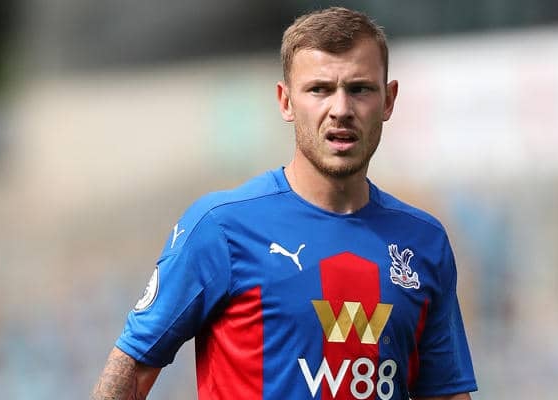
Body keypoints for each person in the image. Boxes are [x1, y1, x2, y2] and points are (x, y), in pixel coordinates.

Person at [91, 6, 477, 400]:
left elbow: (446, 393)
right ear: (286, 101)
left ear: (389, 99)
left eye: (359, 89)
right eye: (319, 90)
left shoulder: (422, 242)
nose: (341, 110)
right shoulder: (222, 228)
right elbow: (132, 369)